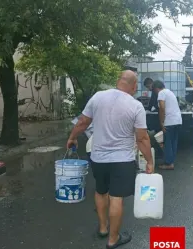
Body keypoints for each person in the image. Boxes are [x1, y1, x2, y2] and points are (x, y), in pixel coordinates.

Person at [66, 70, 154, 249]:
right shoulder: (135, 106)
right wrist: (150, 161)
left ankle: (103, 228)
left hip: (98, 158)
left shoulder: (98, 97)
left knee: (100, 191)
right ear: (134, 86)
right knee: (116, 198)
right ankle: (113, 239)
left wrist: (72, 137)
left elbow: (83, 122)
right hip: (122, 160)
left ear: (118, 81)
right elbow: (142, 138)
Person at [152, 80, 182, 170]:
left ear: (157, 88)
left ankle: (169, 163)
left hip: (169, 121)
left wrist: (161, 122)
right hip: (177, 120)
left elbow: (162, 107)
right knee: (173, 142)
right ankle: (171, 161)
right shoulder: (170, 92)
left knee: (167, 143)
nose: (154, 92)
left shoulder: (161, 93)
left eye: (154, 90)